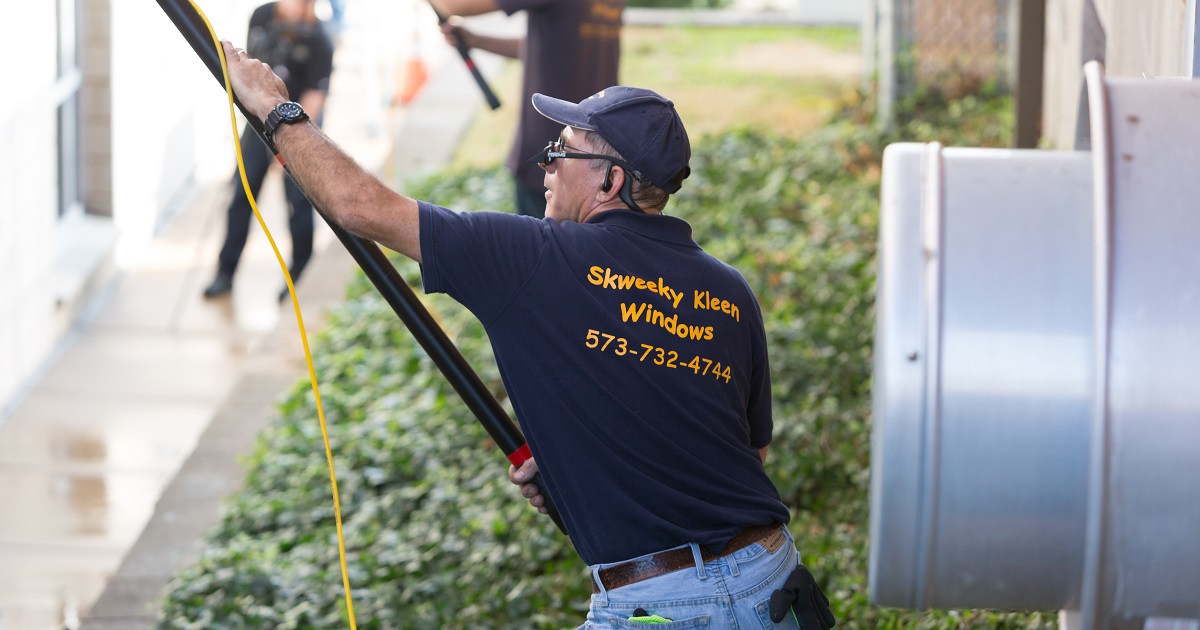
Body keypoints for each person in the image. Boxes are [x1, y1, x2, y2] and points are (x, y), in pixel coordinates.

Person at [218, 39, 834, 629]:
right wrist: (583, 458)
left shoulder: (531, 258)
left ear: (609, 180)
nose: (544, 166)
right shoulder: (729, 291)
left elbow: (356, 205)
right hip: (771, 584)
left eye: (559, 151)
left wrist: (273, 107)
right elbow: (740, 452)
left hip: (657, 609)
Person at [432, 0, 623, 218]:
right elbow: (554, 42)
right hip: (600, 151)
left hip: (551, 157)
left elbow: (456, 6)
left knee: (544, 247)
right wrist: (477, 40)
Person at [202, 0, 334, 302]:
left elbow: (315, 99)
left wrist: (291, 147)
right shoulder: (261, 16)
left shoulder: (319, 40)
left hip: (299, 128)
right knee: (241, 195)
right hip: (258, 122)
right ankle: (225, 271)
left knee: (298, 206)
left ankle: (300, 276)